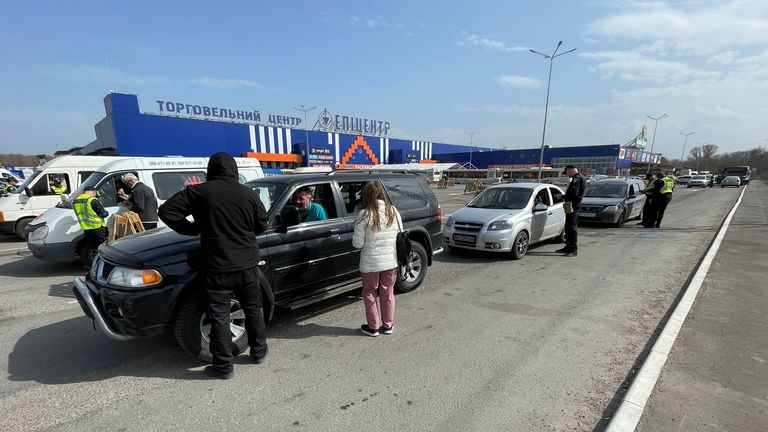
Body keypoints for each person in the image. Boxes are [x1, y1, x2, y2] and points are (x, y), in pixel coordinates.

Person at [158, 152, 269, 380]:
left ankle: (224, 366)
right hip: (247, 263)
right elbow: (262, 225)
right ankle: (259, 352)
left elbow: (167, 211)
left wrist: (194, 229)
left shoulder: (198, 192)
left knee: (219, 315)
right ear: (234, 170)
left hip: (217, 266)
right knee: (253, 308)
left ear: (210, 170)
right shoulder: (248, 194)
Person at [352, 181, 402, 337]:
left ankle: (373, 327)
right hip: (390, 262)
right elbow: (401, 233)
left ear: (366, 196)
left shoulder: (364, 214)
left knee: (369, 292)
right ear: (382, 194)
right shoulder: (393, 211)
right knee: (388, 293)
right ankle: (388, 326)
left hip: (370, 263)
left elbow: (358, 244)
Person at [72, 186, 109, 266]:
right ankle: (105, 265)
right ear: (93, 192)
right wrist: (107, 213)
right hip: (98, 228)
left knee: (93, 248)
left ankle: (95, 265)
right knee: (103, 247)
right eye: (95, 194)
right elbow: (103, 214)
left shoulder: (75, 201)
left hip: (87, 228)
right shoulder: (92, 200)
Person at [554, 165, 585, 256]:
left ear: (570, 170)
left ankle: (573, 249)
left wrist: (562, 196)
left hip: (573, 205)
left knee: (571, 227)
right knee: (568, 226)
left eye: (567, 172)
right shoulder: (580, 177)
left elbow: (574, 194)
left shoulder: (577, 179)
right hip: (573, 205)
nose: (567, 174)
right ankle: (568, 247)